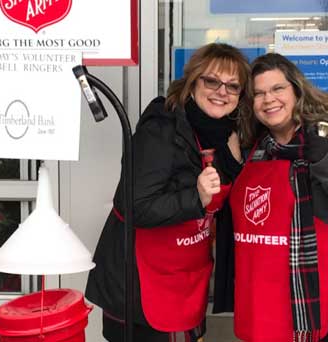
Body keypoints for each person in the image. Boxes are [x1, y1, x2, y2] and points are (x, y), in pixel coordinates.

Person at [221, 53, 328, 342]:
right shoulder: (257, 150)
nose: (269, 99)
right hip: (272, 301)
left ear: (297, 90)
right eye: (259, 93)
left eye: (277, 89)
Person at [85, 43, 251, 342]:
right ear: (192, 82)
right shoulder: (162, 129)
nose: (221, 91)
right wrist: (195, 198)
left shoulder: (231, 136)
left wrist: (236, 164)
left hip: (188, 278)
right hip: (142, 283)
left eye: (233, 86)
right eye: (211, 81)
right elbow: (133, 205)